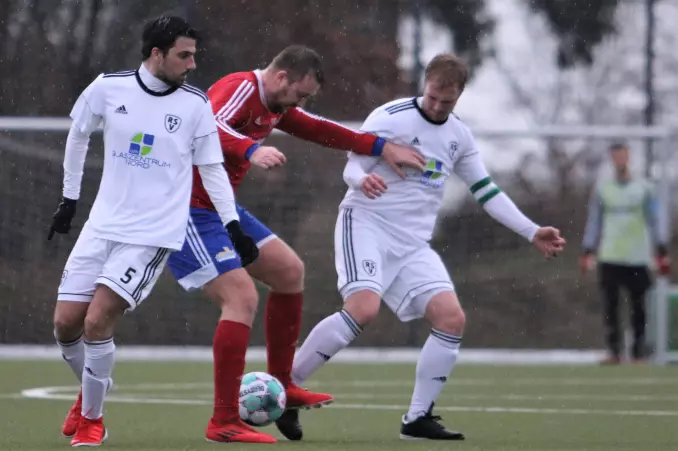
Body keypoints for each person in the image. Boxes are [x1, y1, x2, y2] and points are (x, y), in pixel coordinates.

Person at [289, 53, 567, 440]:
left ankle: (417, 418)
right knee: (363, 309)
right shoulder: (391, 117)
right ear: (425, 84)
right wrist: (361, 181)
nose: (436, 106)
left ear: (459, 96)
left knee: (451, 319)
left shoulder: (459, 137)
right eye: (433, 96)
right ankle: (287, 387)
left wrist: (531, 231)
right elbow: (352, 166)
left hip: (413, 245)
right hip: (366, 224)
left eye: (446, 101)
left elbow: (486, 191)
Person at [166, 44, 426, 443]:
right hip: (186, 210)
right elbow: (208, 127)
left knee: (289, 271)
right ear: (282, 77)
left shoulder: (276, 104)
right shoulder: (241, 88)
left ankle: (283, 384)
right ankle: (223, 420)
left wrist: (379, 146)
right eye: (300, 94)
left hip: (220, 209)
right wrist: (251, 149)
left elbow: (319, 129)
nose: (300, 104)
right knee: (241, 298)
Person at [49, 16, 258, 447]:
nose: (192, 64)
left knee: (97, 320)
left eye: (194, 55)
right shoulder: (108, 87)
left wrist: (233, 225)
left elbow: (212, 169)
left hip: (153, 233)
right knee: (65, 324)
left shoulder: (195, 104)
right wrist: (69, 198)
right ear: (157, 54)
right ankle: (93, 388)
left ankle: (92, 420)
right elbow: (78, 135)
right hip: (102, 225)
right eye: (184, 55)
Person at [580, 142, 670, 364]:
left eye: (623, 155)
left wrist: (661, 249)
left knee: (639, 306)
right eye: (615, 156)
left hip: (638, 255)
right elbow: (594, 220)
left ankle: (638, 353)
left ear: (628, 157)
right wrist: (587, 249)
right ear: (612, 159)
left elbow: (654, 219)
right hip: (610, 254)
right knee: (610, 305)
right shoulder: (603, 188)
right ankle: (614, 351)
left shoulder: (645, 188)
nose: (619, 160)